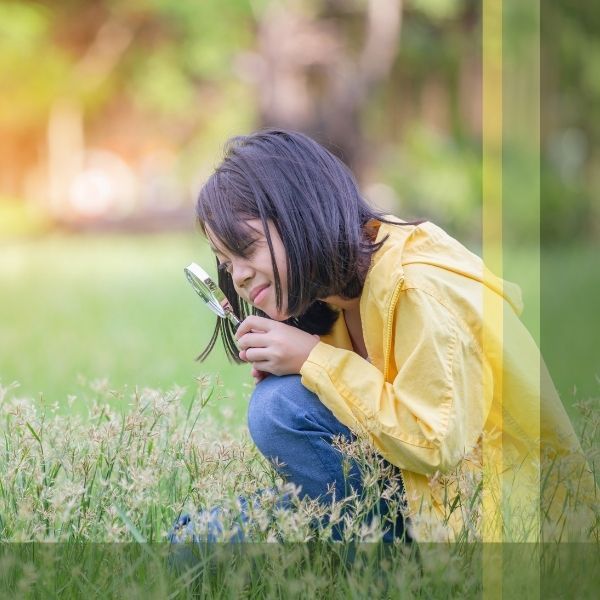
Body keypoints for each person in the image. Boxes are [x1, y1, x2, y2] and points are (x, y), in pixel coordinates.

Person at [179, 128, 596, 544]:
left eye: (246, 249)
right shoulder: (331, 302)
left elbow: (435, 444)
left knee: (276, 410)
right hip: (418, 499)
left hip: (493, 524)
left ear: (300, 215)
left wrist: (314, 362)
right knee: (200, 537)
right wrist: (305, 368)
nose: (238, 276)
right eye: (225, 262)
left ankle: (373, 572)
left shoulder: (415, 286)